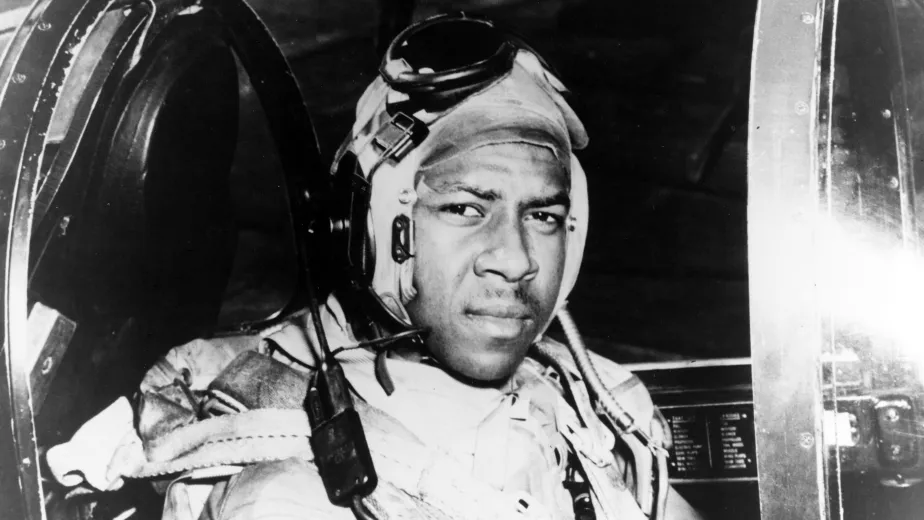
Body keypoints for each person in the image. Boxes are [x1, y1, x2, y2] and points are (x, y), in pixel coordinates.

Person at [46, 13, 703, 520]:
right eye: (466, 209)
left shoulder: (590, 402)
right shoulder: (287, 491)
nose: (515, 259)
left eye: (544, 216)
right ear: (375, 228)